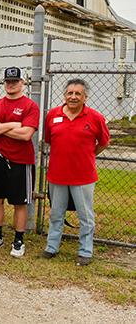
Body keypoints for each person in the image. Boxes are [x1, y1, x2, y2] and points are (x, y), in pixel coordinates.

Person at [42, 79, 109, 266]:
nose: (73, 97)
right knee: (56, 214)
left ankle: (85, 251)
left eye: (77, 94)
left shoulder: (95, 117)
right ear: (64, 95)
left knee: (85, 216)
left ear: (85, 97)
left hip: (83, 176)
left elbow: (103, 142)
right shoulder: (53, 115)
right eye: (70, 93)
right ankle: (51, 247)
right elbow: (49, 139)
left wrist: (88, 155)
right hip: (57, 175)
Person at [0, 67, 39, 257]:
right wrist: (12, 125)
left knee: (19, 203)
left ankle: (18, 240)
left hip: (21, 160)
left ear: (22, 83)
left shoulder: (30, 106)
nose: (11, 84)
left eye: (15, 81)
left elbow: (26, 134)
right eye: (8, 81)